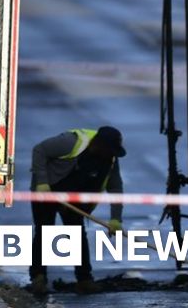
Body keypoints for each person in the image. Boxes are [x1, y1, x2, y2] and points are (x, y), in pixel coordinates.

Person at [29, 126, 126, 296]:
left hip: (74, 198)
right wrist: (42, 182)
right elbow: (40, 150)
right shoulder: (72, 143)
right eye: (110, 150)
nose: (112, 154)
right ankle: (38, 278)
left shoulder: (110, 158)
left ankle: (84, 280)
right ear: (100, 145)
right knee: (44, 232)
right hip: (48, 189)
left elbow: (115, 186)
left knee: (77, 234)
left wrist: (115, 219)